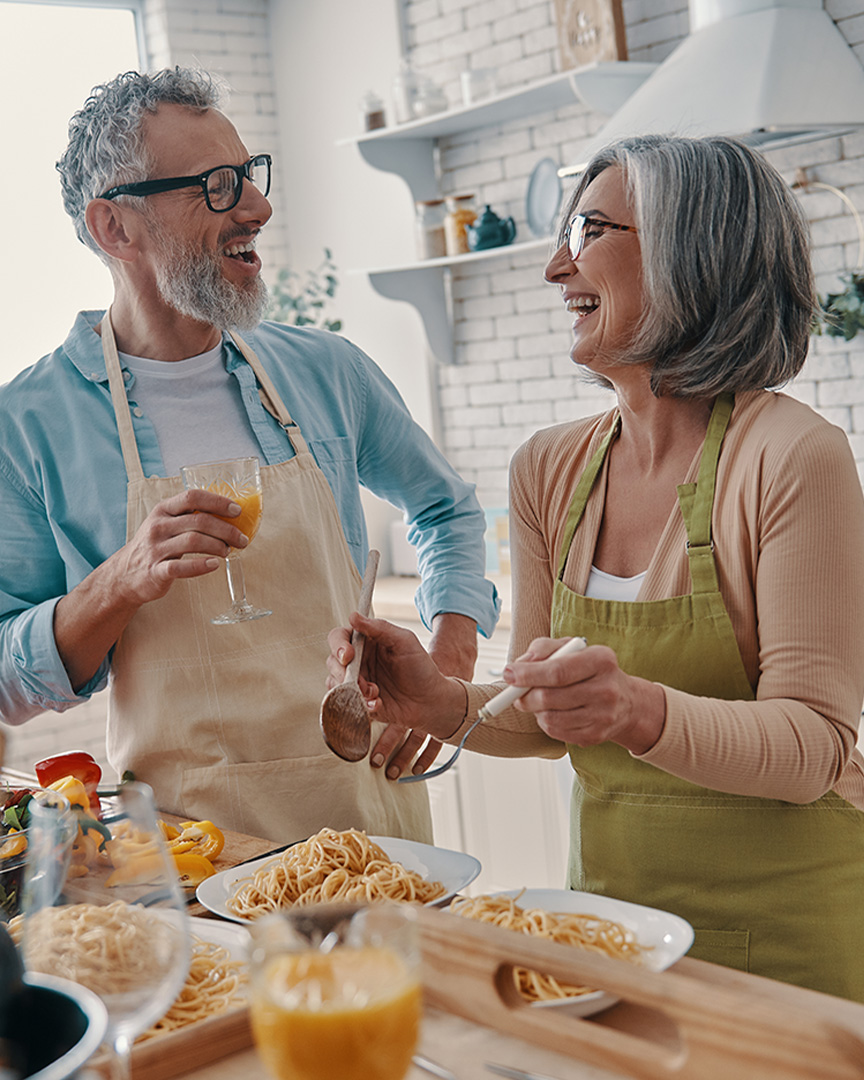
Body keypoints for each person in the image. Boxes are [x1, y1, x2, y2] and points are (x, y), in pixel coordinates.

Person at [328, 133, 864, 1001]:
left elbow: (812, 746)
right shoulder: (549, 468)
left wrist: (637, 708)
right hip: (610, 928)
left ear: (695, 253)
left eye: (586, 231)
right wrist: (436, 697)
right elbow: (546, 721)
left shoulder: (793, 455)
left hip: (791, 941)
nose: (553, 268)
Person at [0, 67, 499, 844]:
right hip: (184, 861)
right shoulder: (29, 425)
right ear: (115, 228)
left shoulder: (326, 371)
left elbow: (444, 507)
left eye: (251, 176)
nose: (258, 209)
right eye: (219, 186)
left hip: (367, 835)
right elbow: (4, 680)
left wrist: (451, 661)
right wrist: (117, 585)